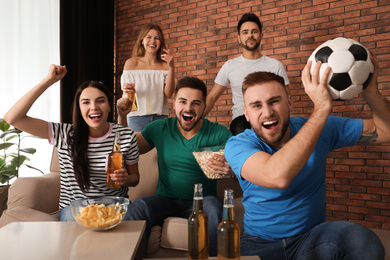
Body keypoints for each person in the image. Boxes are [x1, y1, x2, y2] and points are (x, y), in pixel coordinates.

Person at [224, 57, 387, 259]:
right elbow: (277, 176)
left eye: (274, 101)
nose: (267, 112)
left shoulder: (318, 127)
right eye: (256, 106)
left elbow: (385, 130)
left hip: (311, 238)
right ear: (246, 114)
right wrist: (321, 109)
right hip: (259, 243)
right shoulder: (238, 145)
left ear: (289, 102)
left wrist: (371, 92)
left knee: (362, 240)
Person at [4, 64, 140, 221]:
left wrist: (126, 179)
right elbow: (12, 118)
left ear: (110, 105)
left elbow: (135, 178)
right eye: (86, 102)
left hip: (114, 206)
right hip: (75, 208)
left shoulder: (126, 134)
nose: (94, 107)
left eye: (100, 101)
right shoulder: (63, 134)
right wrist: (48, 80)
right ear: (79, 108)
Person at [117, 76, 233, 256]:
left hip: (202, 202)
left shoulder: (219, 133)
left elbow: (245, 163)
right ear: (174, 103)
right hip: (166, 201)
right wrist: (122, 116)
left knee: (213, 206)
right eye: (183, 101)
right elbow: (128, 149)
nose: (188, 108)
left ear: (204, 107)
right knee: (140, 206)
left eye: (196, 103)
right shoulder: (160, 128)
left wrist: (232, 169)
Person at [204, 12, 290, 135]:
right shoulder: (229, 66)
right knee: (244, 138)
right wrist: (196, 119)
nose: (250, 35)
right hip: (241, 120)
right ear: (238, 37)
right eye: (245, 32)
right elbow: (212, 98)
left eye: (254, 31)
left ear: (261, 35)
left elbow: (286, 100)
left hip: (270, 117)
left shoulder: (275, 66)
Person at [121, 23, 175, 132]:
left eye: (157, 38)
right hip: (136, 118)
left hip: (160, 118)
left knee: (159, 150)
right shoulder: (131, 63)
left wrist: (171, 67)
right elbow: (126, 95)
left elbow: (169, 93)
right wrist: (126, 91)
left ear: (161, 43)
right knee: (137, 149)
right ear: (142, 40)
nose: (153, 41)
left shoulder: (165, 65)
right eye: (148, 37)